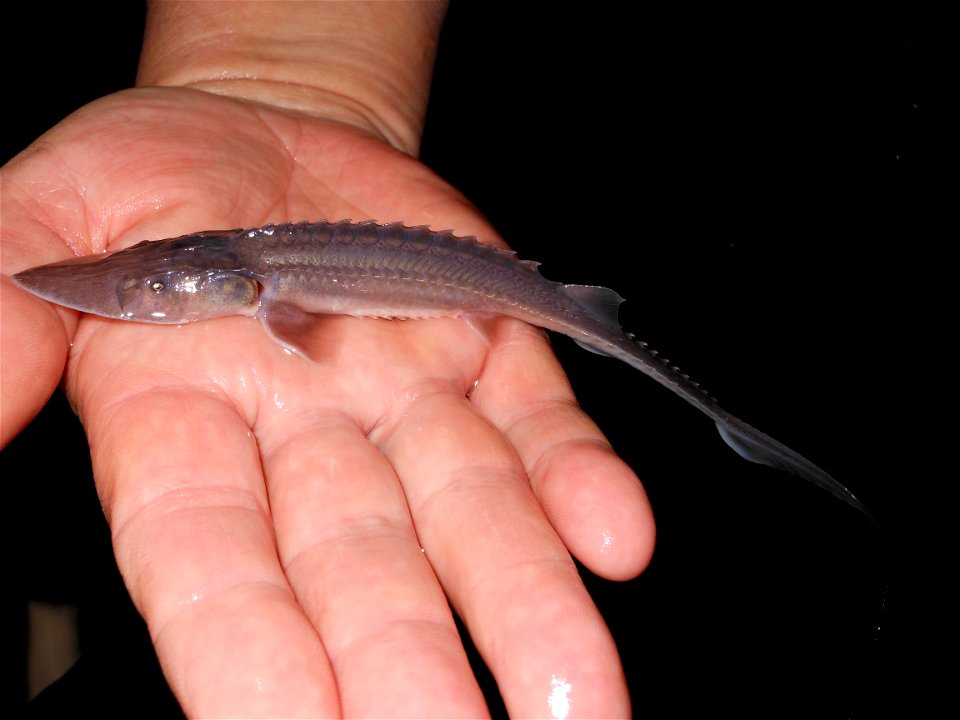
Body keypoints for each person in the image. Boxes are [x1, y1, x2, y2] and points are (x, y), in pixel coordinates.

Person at [1, 3, 655, 716]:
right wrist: (285, 80)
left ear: (244, 289)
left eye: (157, 289)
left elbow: (294, 326)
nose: (145, 299)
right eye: (150, 283)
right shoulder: (249, 270)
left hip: (496, 282)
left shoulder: (266, 289)